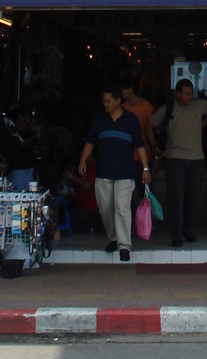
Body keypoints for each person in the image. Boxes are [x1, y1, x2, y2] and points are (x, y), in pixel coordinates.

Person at [78, 85, 151, 262]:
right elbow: (90, 142)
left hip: (125, 172)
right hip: (104, 172)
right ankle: (114, 238)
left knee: (122, 208)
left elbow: (140, 145)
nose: (105, 104)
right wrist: (82, 161)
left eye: (108, 101)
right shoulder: (99, 120)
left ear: (118, 101)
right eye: (104, 101)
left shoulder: (131, 120)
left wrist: (145, 168)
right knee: (105, 208)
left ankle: (124, 246)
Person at [149, 78, 207, 247]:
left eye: (191, 93)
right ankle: (176, 233)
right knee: (176, 198)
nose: (190, 97)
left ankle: (188, 229)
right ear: (178, 94)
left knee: (193, 197)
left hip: (196, 159)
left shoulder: (200, 105)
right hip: (175, 158)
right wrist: (155, 148)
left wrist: (201, 126)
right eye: (186, 94)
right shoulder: (168, 109)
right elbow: (148, 125)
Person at [120, 74, 155, 212]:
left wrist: (155, 155)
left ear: (130, 90)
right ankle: (131, 222)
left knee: (145, 190)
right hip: (126, 156)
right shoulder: (122, 107)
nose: (121, 93)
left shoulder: (146, 107)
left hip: (143, 155)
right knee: (126, 192)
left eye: (123, 89)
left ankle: (149, 221)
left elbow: (153, 130)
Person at [62, 155, 103, 234]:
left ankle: (93, 227)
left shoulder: (95, 167)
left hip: (89, 208)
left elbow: (88, 186)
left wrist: (71, 176)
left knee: (67, 222)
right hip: (81, 206)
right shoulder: (87, 167)